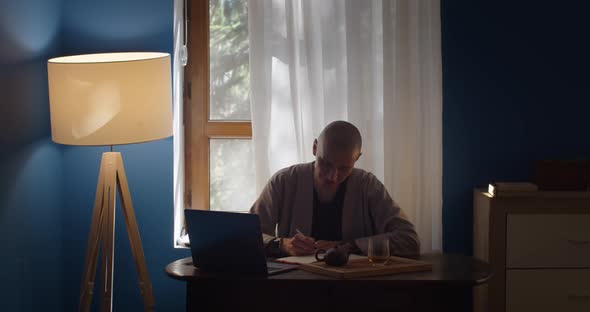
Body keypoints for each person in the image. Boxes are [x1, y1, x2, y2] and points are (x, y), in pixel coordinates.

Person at [250, 121, 419, 257]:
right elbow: (247, 236)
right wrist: (283, 244)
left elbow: (409, 240)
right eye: (325, 163)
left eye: (344, 168)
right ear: (315, 148)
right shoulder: (285, 181)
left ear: (357, 158)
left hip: (356, 284)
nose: (333, 176)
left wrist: (350, 246)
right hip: (296, 283)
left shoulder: (367, 185)